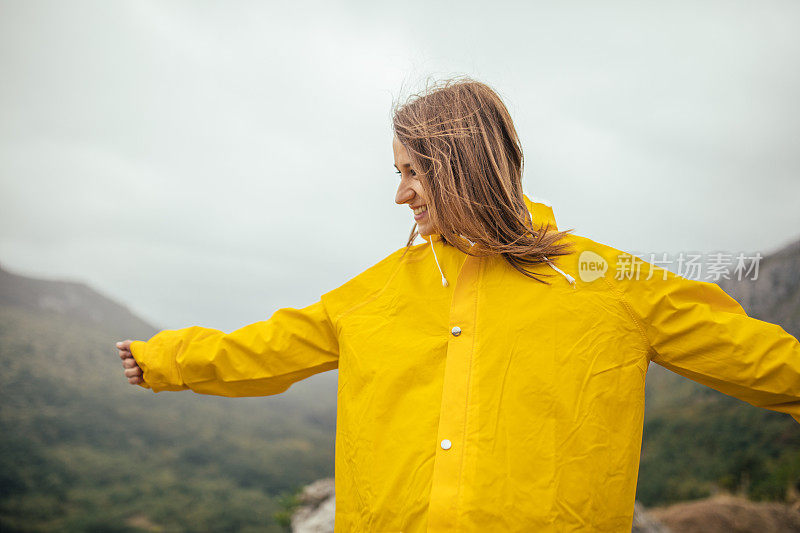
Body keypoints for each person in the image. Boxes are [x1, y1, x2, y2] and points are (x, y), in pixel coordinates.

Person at [116, 76, 800, 532]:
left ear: (462, 165)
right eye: (398, 174)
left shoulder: (601, 275)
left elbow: (749, 353)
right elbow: (269, 347)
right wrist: (167, 358)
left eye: (414, 172)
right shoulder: (382, 288)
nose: (401, 193)